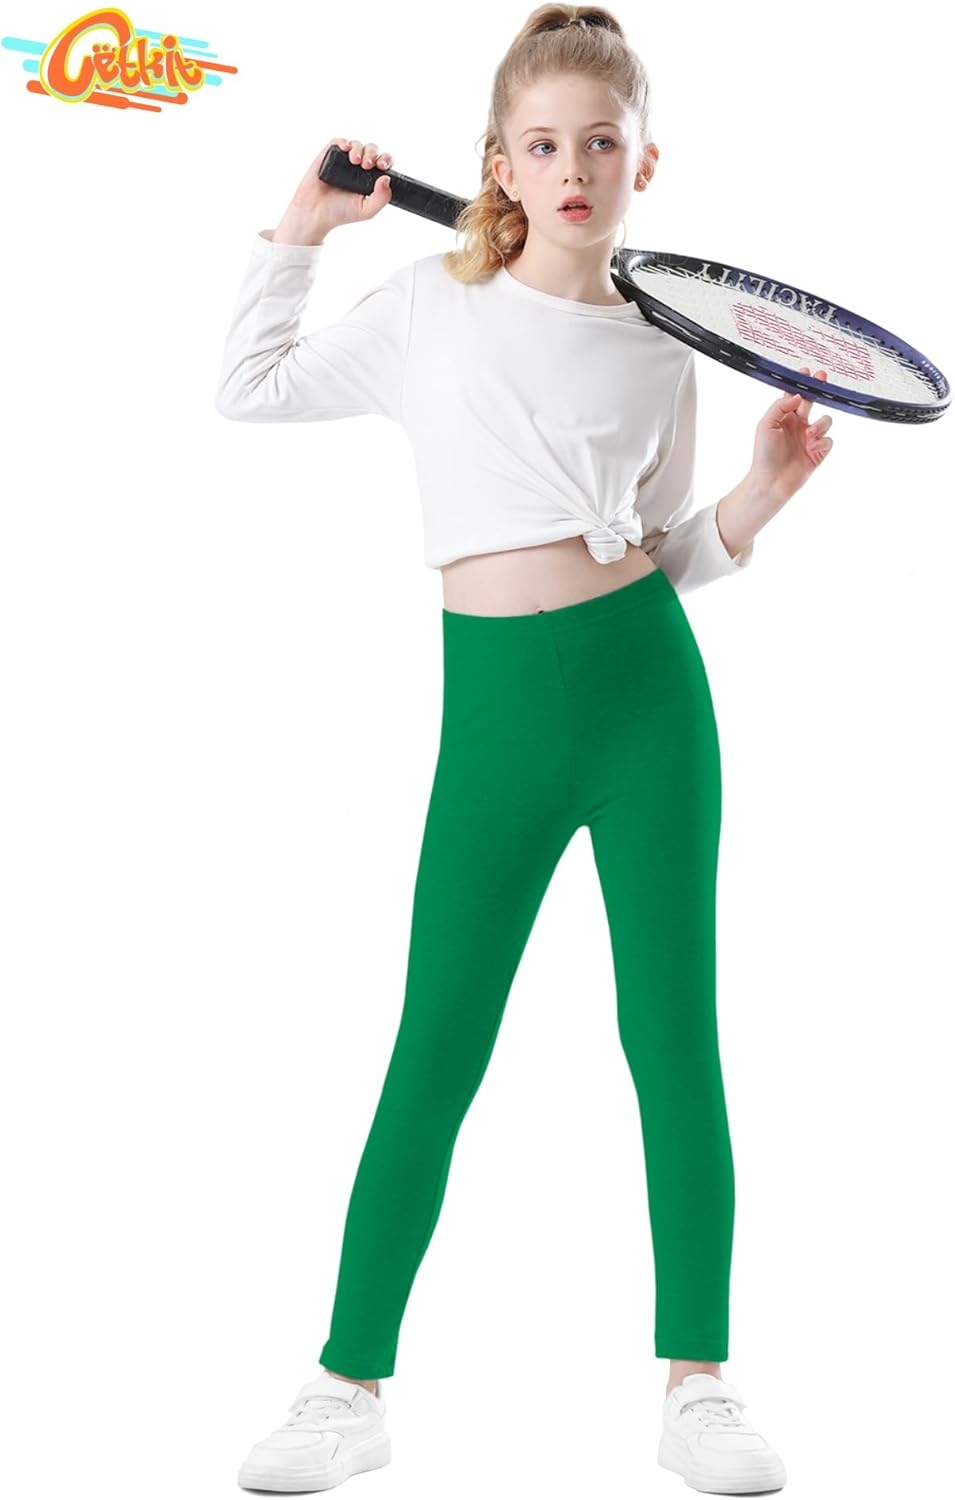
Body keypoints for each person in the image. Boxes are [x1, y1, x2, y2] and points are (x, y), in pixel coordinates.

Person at [221, 7, 834, 1493]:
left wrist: (760, 495)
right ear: (499, 164)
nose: (573, 169)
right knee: (437, 1044)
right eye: (543, 145)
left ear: (642, 163)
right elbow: (250, 384)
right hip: (494, 716)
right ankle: (346, 1383)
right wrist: (300, 230)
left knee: (671, 1038)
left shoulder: (662, 346)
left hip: (647, 703)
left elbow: (661, 552)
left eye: (600, 144)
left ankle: (699, 1382)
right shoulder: (428, 303)